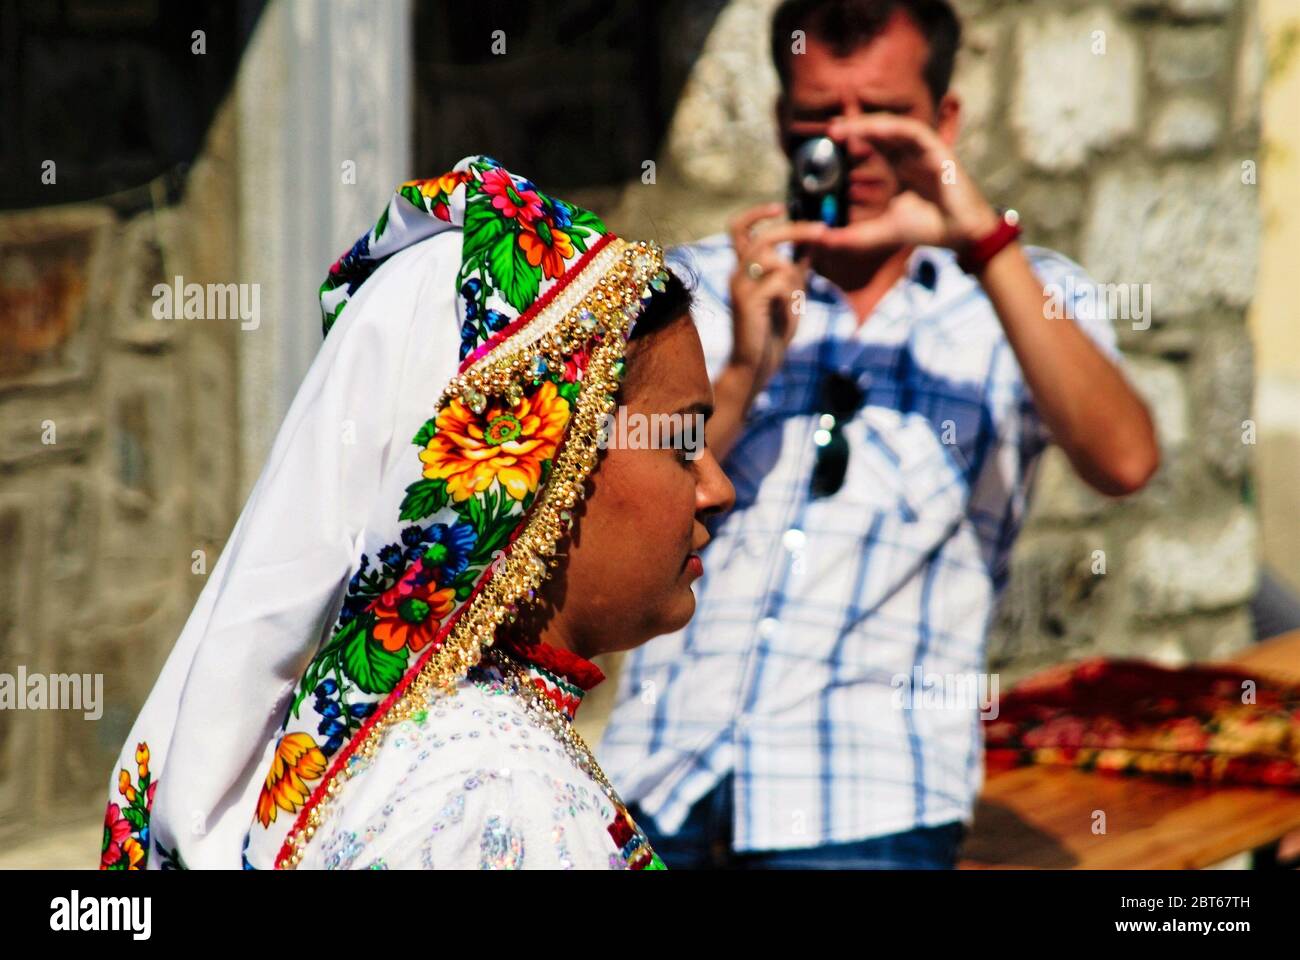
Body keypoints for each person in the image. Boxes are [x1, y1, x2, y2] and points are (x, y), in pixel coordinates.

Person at [597, 0, 1160, 869]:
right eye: (823, 113)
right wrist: (746, 368)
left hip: (866, 796)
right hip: (657, 769)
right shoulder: (703, 283)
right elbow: (609, 497)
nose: (851, 142)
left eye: (885, 115)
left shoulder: (1027, 293)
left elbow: (1125, 460)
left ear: (945, 120)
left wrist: (980, 240)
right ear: (783, 118)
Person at [99, 154, 734, 870]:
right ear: (535, 463)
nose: (718, 488)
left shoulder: (419, 752)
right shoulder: (494, 791)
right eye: (681, 439)